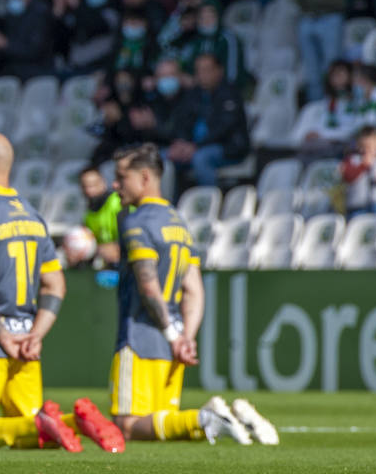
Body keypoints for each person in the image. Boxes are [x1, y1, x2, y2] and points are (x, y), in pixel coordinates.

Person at [0, 133, 118, 452]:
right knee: (34, 441)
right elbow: (55, 284)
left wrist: (1, 333)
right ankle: (69, 422)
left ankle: (42, 422)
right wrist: (35, 335)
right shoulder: (34, 218)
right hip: (27, 345)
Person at [108, 143, 278, 445]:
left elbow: (148, 287)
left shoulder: (137, 223)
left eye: (122, 177)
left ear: (145, 178)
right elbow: (194, 290)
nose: (115, 184)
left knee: (127, 426)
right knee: (160, 426)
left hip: (140, 337)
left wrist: (175, 337)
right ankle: (237, 419)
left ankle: (204, 417)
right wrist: (186, 336)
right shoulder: (179, 224)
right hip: (173, 344)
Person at [163, 53, 249, 188]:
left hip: (227, 147)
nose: (202, 75)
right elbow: (182, 122)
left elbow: (223, 129)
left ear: (219, 71)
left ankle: (206, 202)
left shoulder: (230, 93)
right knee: (164, 157)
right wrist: (181, 143)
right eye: (199, 70)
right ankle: (168, 205)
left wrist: (196, 146)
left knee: (201, 158)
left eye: (207, 70)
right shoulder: (193, 94)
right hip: (193, 146)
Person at [0, 0, 54, 79]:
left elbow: (35, 50)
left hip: (37, 73)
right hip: (11, 73)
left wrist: (6, 44)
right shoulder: (8, 17)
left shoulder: (40, 14)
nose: (14, 1)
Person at [341, 126, 376, 218]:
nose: (369, 150)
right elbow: (347, 177)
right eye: (365, 147)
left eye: (372, 146)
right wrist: (363, 165)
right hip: (357, 206)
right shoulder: (352, 160)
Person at [78, 166, 122, 267]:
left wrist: (117, 247)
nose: (89, 190)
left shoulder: (118, 202)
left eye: (93, 185)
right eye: (85, 186)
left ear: (103, 183)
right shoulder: (88, 215)